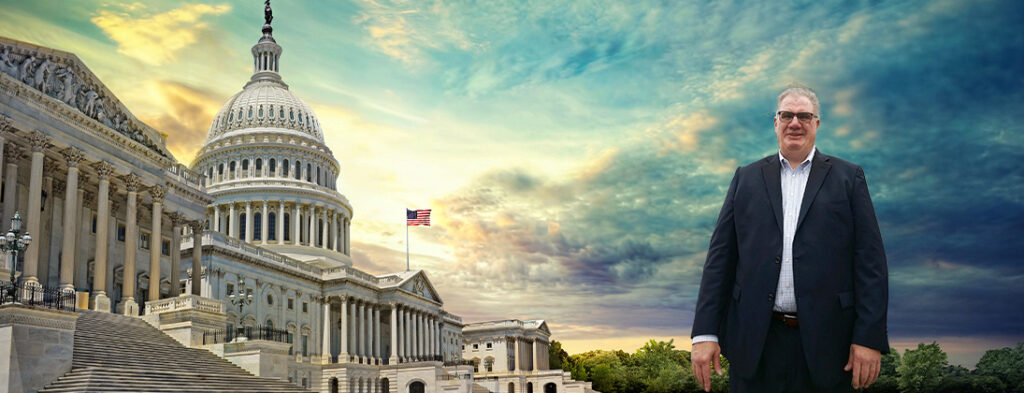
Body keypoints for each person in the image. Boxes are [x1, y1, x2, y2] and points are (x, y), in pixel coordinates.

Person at [689, 87, 889, 392]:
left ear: (817, 124)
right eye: (787, 115)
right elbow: (720, 261)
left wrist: (868, 337)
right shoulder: (746, 178)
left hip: (828, 345)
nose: (795, 123)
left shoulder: (849, 178)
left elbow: (870, 262)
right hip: (755, 344)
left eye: (804, 116)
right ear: (776, 122)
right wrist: (704, 333)